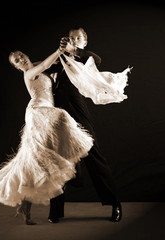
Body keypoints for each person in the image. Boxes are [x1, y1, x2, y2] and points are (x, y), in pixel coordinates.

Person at [0, 47, 94, 225]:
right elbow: (45, 64)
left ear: (26, 54)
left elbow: (54, 63)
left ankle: (25, 208)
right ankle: (75, 159)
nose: (21, 59)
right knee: (63, 117)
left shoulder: (36, 67)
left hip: (46, 110)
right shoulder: (29, 73)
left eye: (21, 55)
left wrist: (68, 50)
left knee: (36, 161)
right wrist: (59, 50)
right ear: (17, 67)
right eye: (17, 60)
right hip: (39, 111)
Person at [44, 27, 123, 223]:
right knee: (58, 159)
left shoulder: (84, 59)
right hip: (58, 112)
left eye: (77, 38)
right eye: (70, 37)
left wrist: (73, 50)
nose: (73, 40)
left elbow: (97, 59)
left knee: (93, 154)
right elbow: (42, 69)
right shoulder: (60, 60)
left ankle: (115, 204)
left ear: (83, 42)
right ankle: (55, 211)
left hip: (77, 111)